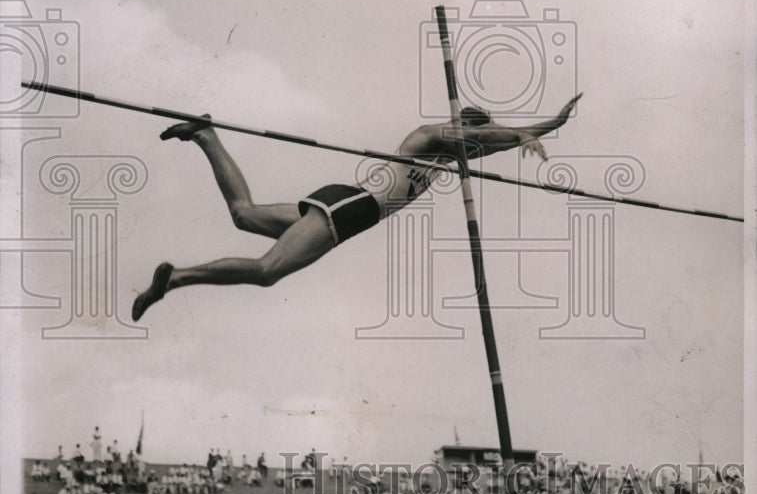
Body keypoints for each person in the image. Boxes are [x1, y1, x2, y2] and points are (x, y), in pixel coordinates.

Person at [132, 96, 581, 320]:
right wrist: (520, 135)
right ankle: (177, 278)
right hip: (352, 209)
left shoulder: (450, 155)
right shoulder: (431, 135)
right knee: (268, 271)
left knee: (244, 214)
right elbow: (491, 139)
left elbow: (495, 143)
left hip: (346, 201)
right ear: (461, 125)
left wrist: (548, 125)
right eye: (473, 134)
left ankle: (205, 135)